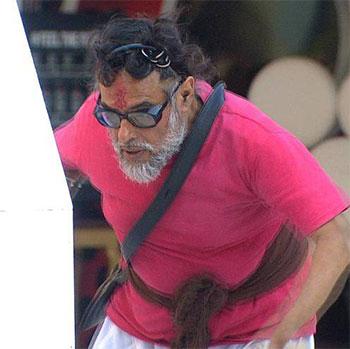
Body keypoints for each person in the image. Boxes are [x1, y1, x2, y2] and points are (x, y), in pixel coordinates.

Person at [54, 14, 350, 349]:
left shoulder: (251, 139)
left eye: (143, 114)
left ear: (184, 95)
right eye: (111, 116)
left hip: (253, 332)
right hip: (138, 327)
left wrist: (282, 336)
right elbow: (39, 170)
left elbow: (335, 238)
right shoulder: (96, 126)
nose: (125, 134)